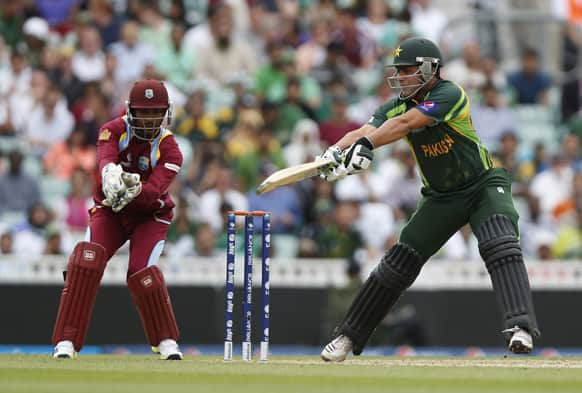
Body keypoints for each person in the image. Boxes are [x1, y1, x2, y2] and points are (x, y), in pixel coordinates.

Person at [317, 37, 540, 362]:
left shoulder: (450, 94)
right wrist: (334, 153)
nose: (400, 77)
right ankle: (348, 336)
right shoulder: (393, 105)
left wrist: (366, 144)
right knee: (397, 264)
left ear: (430, 69)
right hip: (441, 196)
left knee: (500, 244)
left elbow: (406, 123)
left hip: (482, 185)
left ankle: (520, 327)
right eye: (398, 71)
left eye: (407, 70)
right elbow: (364, 129)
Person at [51, 79, 184, 360]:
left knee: (141, 272)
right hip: (111, 210)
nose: (149, 120)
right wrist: (110, 175)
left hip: (150, 216)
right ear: (130, 110)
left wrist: (129, 189)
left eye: (155, 113)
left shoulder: (171, 149)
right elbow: (105, 160)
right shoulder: (111, 130)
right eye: (143, 112)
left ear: (166, 113)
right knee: (86, 261)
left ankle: (166, 342)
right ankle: (66, 342)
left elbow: (151, 193)